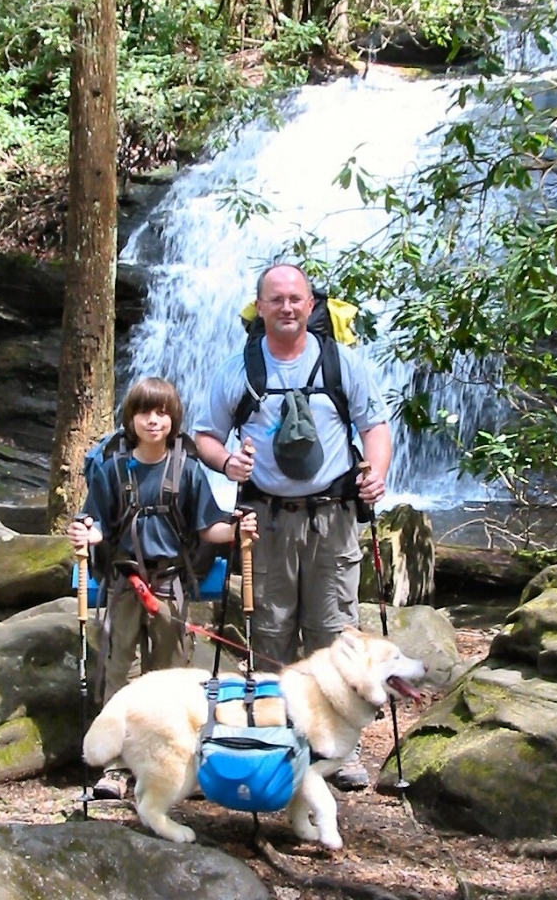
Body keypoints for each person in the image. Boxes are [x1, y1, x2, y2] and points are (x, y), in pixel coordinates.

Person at [193, 263, 392, 790]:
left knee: (334, 632)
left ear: (310, 305)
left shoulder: (340, 363)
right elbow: (205, 436)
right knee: (270, 630)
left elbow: (374, 426)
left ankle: (341, 749)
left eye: (295, 299)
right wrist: (227, 463)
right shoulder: (239, 369)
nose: (286, 307)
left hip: (334, 517)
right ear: (260, 307)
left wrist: (376, 474)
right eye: (276, 299)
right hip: (267, 521)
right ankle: (272, 736)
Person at [68, 376, 258, 800]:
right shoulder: (112, 469)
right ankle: (115, 765)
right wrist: (85, 535)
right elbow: (96, 522)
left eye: (162, 413)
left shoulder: (188, 470)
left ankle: (165, 759)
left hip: (171, 585)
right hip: (123, 581)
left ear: (174, 419)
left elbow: (208, 527)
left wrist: (237, 528)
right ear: (130, 418)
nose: (153, 421)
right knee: (119, 669)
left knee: (169, 673)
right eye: (144, 413)